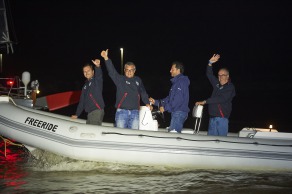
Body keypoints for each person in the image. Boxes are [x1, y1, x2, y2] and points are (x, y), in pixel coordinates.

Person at [100, 49, 152, 129]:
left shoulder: (138, 80)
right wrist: (106, 58)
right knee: (120, 135)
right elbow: (112, 71)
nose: (129, 72)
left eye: (131, 70)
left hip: (135, 112)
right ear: (124, 70)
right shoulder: (120, 80)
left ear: (134, 71)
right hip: (122, 112)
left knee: (133, 135)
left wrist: (147, 103)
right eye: (127, 70)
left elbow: (143, 92)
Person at [195, 54, 236, 136]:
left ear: (227, 76)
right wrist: (210, 63)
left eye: (223, 75)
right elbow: (209, 75)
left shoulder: (230, 87)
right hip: (212, 118)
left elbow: (221, 99)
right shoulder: (217, 84)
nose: (220, 77)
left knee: (221, 142)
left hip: (222, 119)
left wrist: (205, 101)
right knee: (211, 141)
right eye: (219, 75)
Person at [149, 61, 190, 133]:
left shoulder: (181, 81)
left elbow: (178, 100)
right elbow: (169, 99)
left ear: (178, 70)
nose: (170, 71)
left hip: (179, 112)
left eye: (172, 69)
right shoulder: (176, 83)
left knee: (174, 137)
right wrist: (155, 102)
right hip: (176, 112)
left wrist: (165, 108)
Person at [71, 59, 105, 125]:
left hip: (96, 111)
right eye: (84, 71)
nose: (86, 72)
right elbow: (82, 101)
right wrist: (77, 114)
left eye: (88, 70)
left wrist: (98, 66)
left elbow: (99, 76)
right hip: (90, 113)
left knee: (92, 133)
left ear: (93, 72)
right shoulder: (85, 86)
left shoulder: (96, 81)